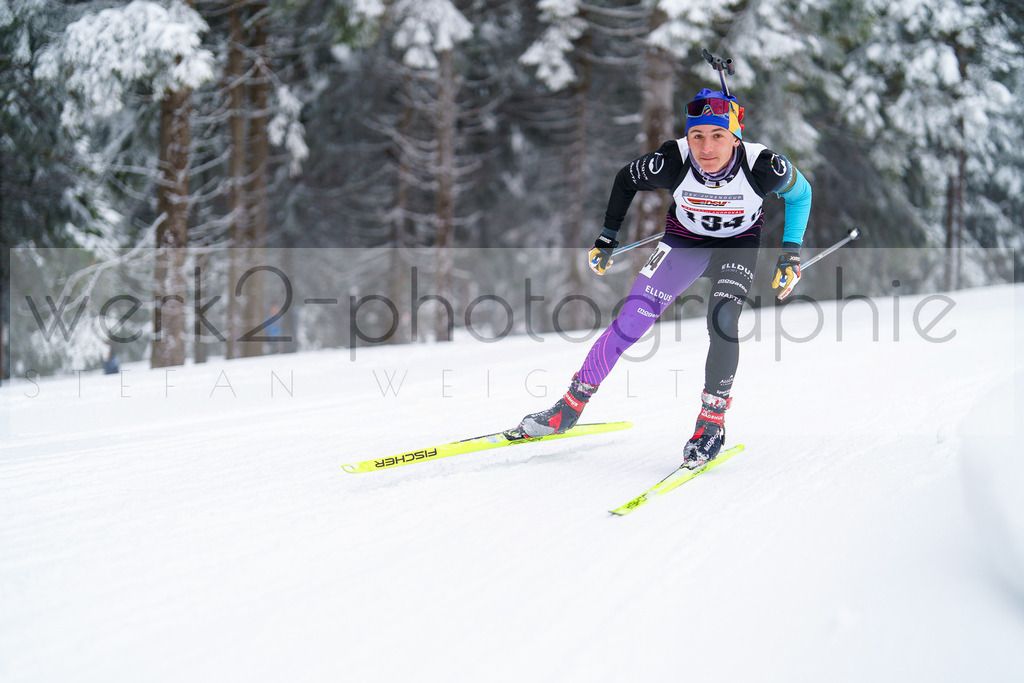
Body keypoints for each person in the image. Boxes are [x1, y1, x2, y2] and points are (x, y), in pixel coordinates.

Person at [515, 86, 812, 469]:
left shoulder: (764, 166)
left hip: (736, 247)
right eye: (697, 136)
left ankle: (711, 425)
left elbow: (800, 195)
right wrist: (607, 236)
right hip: (682, 243)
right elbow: (625, 180)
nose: (706, 148)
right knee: (631, 320)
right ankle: (568, 409)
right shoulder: (670, 161)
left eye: (718, 136)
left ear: (736, 137)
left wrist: (790, 253)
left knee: (723, 321)